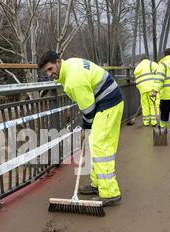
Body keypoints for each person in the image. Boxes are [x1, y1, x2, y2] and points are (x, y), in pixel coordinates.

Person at [38, 51, 124, 206]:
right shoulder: (70, 65)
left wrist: (86, 128)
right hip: (103, 101)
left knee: (100, 145)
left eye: (50, 69)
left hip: (108, 103)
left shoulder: (73, 79)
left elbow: (88, 108)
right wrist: (87, 128)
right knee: (95, 145)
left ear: (58, 61)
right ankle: (97, 183)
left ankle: (110, 192)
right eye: (46, 72)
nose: (49, 74)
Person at [134, 56, 160, 126]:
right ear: (148, 59)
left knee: (145, 105)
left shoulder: (138, 66)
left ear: (141, 60)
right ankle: (154, 122)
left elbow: (136, 79)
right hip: (152, 88)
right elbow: (159, 74)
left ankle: (146, 122)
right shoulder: (152, 64)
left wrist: (141, 87)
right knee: (153, 104)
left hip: (142, 89)